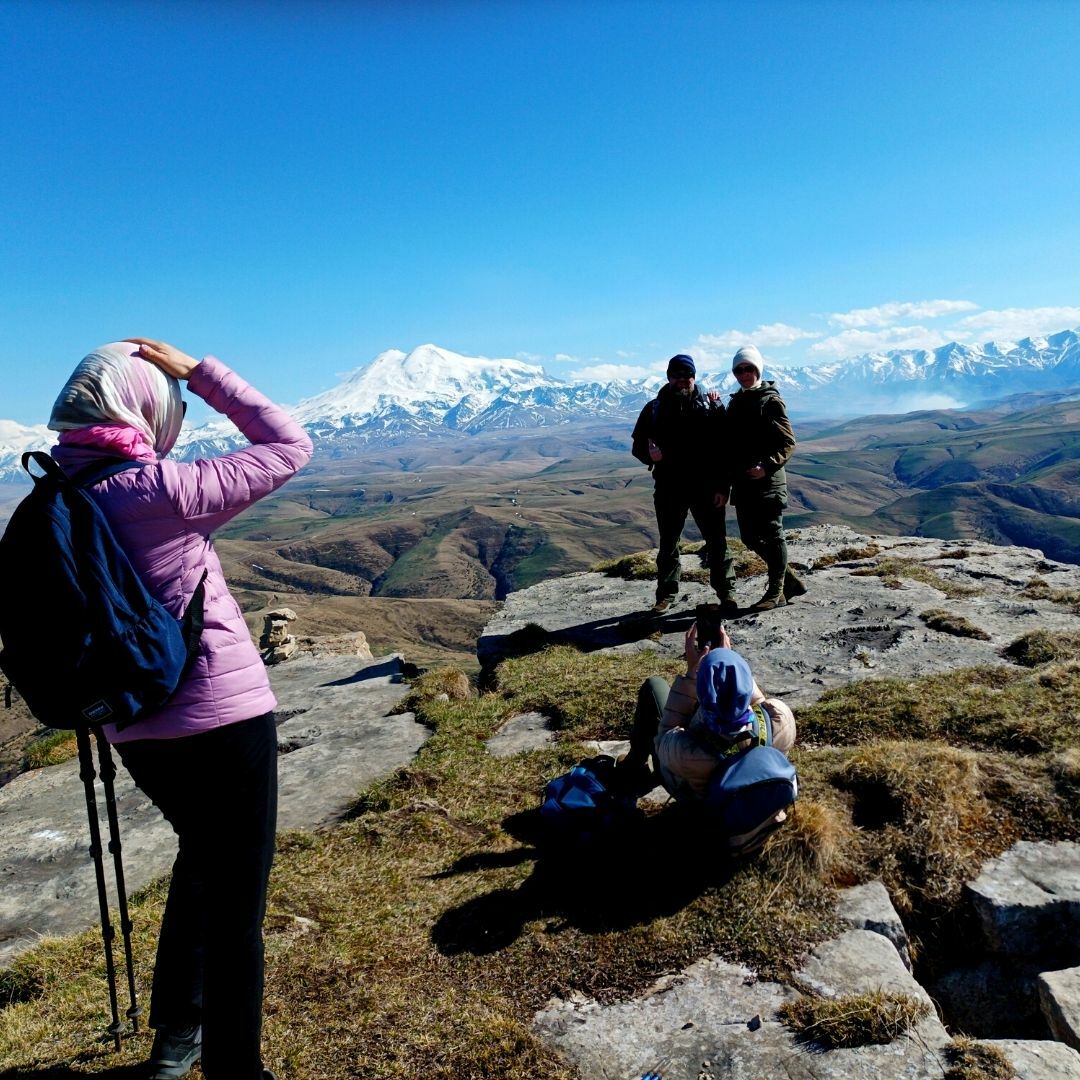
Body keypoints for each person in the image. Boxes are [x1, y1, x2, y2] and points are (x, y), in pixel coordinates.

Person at [48, 339, 313, 1080]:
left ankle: (176, 1040)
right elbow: (289, 444)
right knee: (236, 908)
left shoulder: (51, 494)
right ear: (144, 405)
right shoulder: (160, 488)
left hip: (132, 724)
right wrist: (203, 372)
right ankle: (237, 1072)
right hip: (224, 720)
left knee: (202, 865)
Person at [617, 622, 795, 820]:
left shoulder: (685, 752)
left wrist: (691, 675)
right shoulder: (780, 716)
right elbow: (759, 703)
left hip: (698, 795)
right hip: (755, 791)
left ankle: (633, 770)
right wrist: (731, 667)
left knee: (654, 686)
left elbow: (663, 737)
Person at [631, 353, 735, 614]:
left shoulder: (711, 406)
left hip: (707, 488)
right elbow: (638, 447)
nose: (683, 380)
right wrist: (649, 455)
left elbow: (725, 450)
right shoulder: (653, 409)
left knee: (717, 542)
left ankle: (727, 593)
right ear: (668, 377)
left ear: (694, 377)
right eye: (677, 376)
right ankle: (666, 595)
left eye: (687, 375)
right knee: (668, 543)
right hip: (669, 488)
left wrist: (724, 488)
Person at [723, 344, 804, 611]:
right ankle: (789, 580)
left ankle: (776, 591)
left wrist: (766, 466)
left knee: (772, 534)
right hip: (744, 483)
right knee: (748, 537)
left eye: (749, 368)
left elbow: (788, 442)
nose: (744, 373)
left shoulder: (770, 401)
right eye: (739, 369)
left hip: (768, 482)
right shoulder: (736, 402)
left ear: (758, 369)